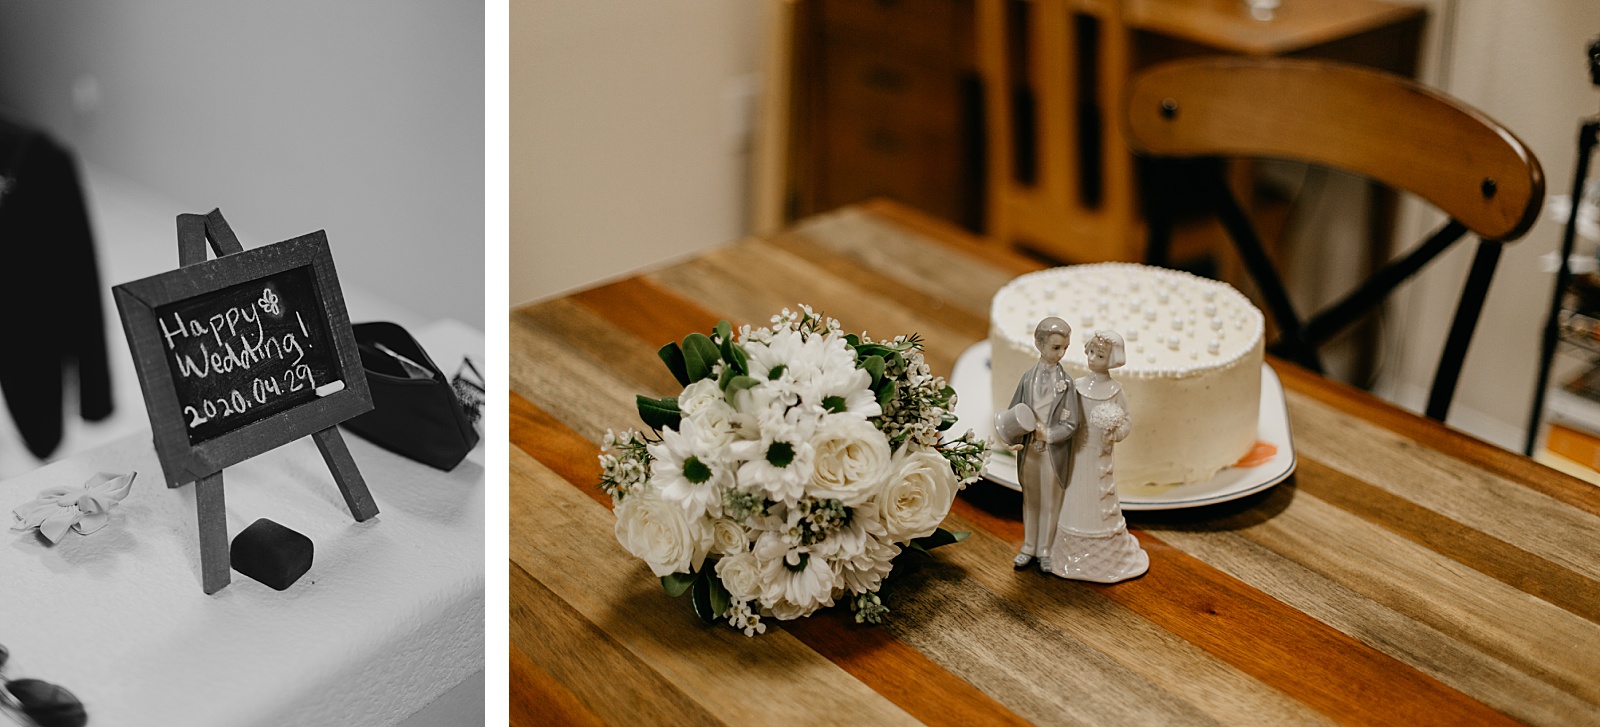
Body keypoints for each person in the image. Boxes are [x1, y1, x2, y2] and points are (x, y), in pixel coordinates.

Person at [1049, 329, 1148, 583]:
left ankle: (1105, 552)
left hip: (1101, 455)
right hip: (1079, 453)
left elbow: (1126, 421)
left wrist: (1114, 431)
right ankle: (1069, 552)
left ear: (1112, 359)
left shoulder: (1115, 391)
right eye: (1091, 352)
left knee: (1100, 497)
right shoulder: (1078, 387)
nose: (1093, 358)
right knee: (1075, 495)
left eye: (1100, 355)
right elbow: (1066, 416)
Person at [999, 317, 1080, 573]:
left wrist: (1050, 434)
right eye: (1056, 347)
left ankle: (1046, 549)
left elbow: (1072, 424)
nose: (1061, 353)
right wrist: (1011, 437)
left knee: (1051, 502)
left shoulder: (1067, 385)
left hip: (1053, 454)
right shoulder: (1027, 379)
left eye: (1065, 348)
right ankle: (1028, 546)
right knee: (1031, 499)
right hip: (1029, 451)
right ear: (1039, 344)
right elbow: (1015, 410)